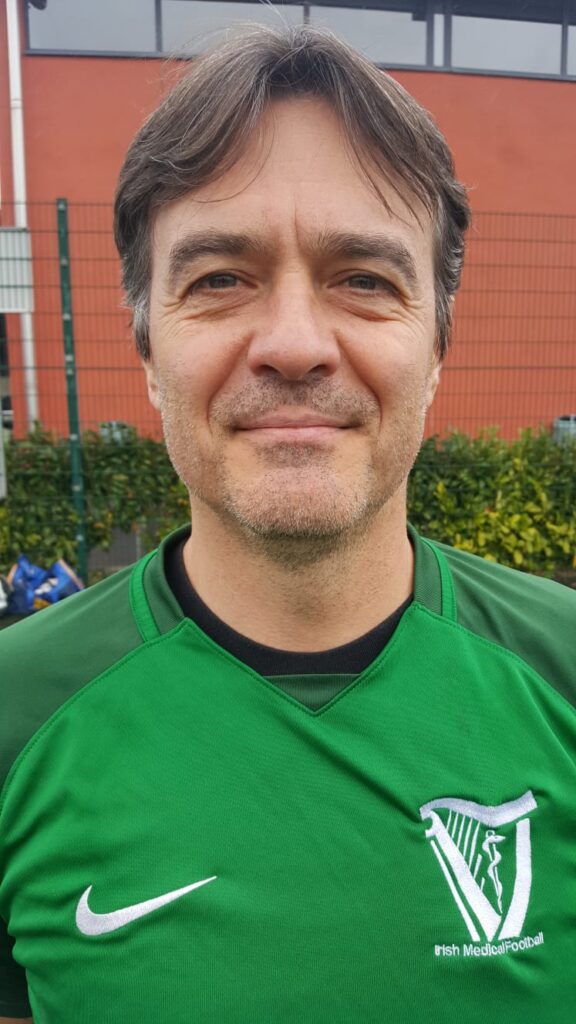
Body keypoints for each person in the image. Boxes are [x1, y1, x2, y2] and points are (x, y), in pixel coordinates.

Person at [0, 25, 574, 1024]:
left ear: (436, 349)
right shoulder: (17, 710)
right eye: (221, 278)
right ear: (149, 350)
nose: (296, 344)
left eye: (365, 279)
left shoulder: (561, 671)